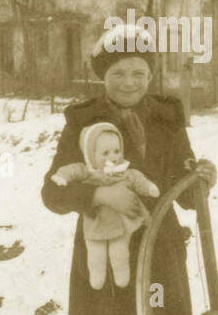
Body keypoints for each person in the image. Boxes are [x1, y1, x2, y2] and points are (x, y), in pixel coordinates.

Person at [41, 22, 217, 315]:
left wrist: (202, 179)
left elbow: (185, 191)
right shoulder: (82, 122)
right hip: (105, 251)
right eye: (120, 73)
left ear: (150, 74)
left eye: (139, 73)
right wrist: (99, 192)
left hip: (158, 254)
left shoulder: (167, 118)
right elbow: (52, 192)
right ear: (104, 76)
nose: (130, 82)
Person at [51, 121, 160, 288]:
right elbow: (71, 171)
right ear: (91, 154)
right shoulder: (88, 171)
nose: (113, 157)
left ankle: (121, 277)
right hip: (95, 223)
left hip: (119, 225)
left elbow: (138, 179)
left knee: (120, 253)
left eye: (117, 151)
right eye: (105, 153)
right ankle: (97, 276)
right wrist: (61, 177)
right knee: (95, 254)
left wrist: (150, 188)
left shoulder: (123, 170)